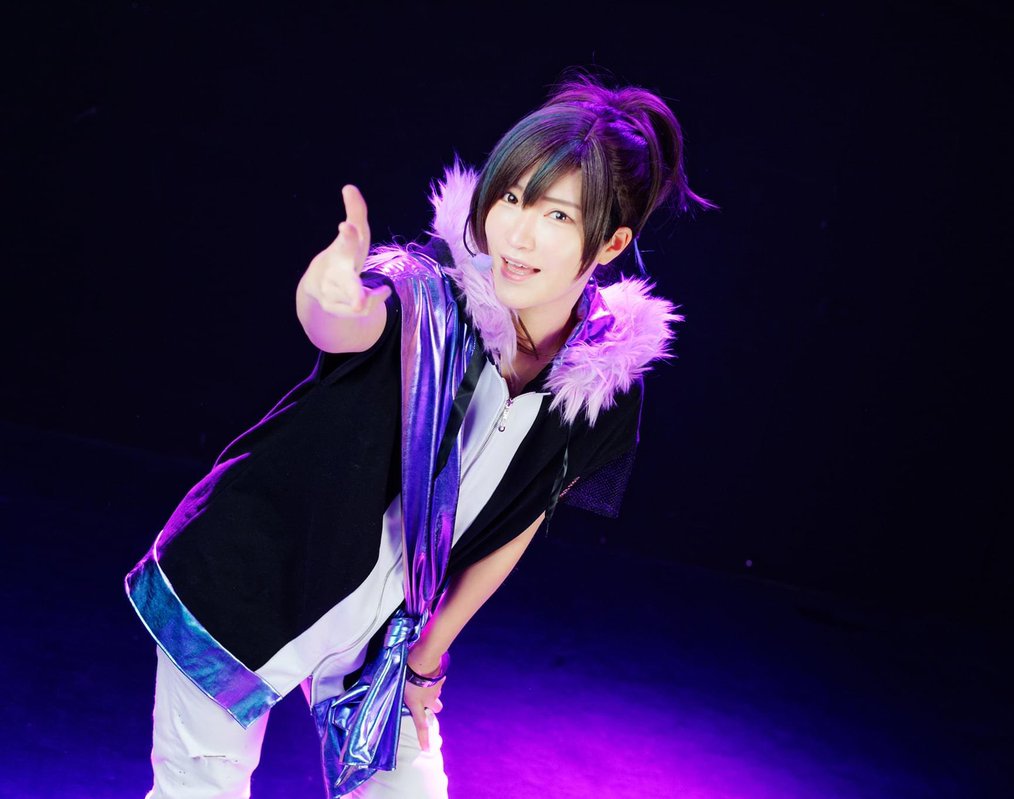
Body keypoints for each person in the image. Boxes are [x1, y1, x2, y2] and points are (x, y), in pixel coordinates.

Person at [125, 72, 711, 799]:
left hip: (385, 632)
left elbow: (520, 522)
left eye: (559, 215)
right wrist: (326, 296)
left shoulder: (602, 386)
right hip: (251, 572)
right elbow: (350, 318)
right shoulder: (429, 292)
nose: (518, 235)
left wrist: (428, 656)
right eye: (511, 197)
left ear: (612, 242)